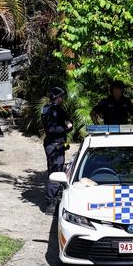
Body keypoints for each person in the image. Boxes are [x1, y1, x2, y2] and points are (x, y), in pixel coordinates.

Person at [41, 87, 73, 215]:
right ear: (57, 97)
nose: (62, 99)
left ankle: (53, 201)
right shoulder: (51, 110)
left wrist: (68, 125)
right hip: (54, 145)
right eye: (61, 97)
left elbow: (68, 120)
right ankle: (51, 205)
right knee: (55, 173)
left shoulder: (49, 109)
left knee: (55, 171)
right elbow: (52, 130)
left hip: (55, 144)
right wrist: (67, 128)